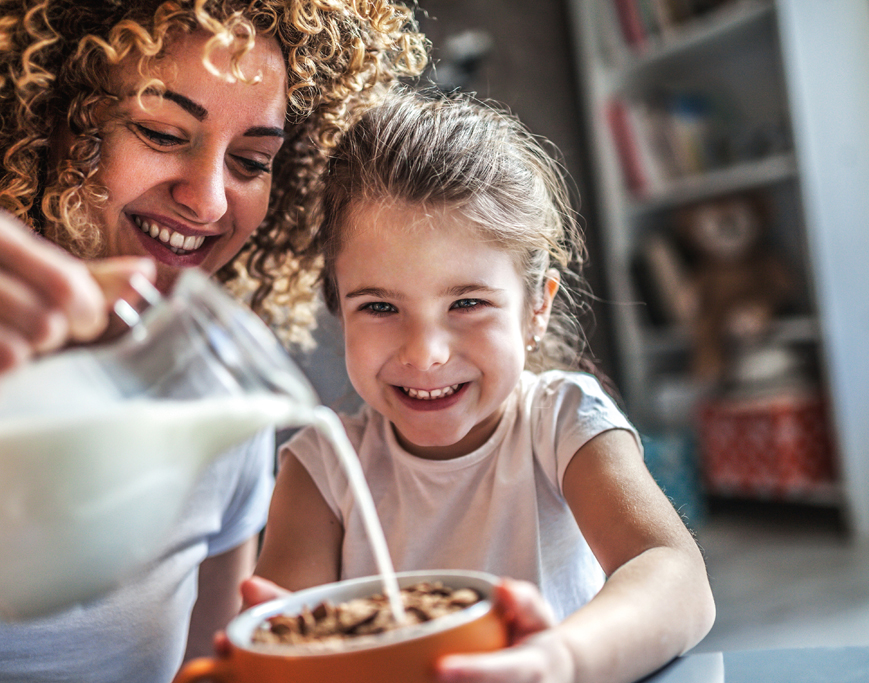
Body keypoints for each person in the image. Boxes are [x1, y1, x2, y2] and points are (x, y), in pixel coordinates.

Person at [0, 1, 426, 681]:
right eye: (160, 131)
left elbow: (202, 670)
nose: (209, 202)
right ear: (38, 117)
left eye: (250, 161)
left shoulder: (222, 417)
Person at [250, 89, 716, 683]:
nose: (425, 353)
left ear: (535, 310)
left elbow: (674, 574)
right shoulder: (322, 467)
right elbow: (288, 642)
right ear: (337, 308)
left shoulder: (562, 424)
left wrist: (560, 659)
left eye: (467, 302)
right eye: (379, 306)